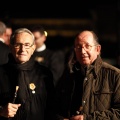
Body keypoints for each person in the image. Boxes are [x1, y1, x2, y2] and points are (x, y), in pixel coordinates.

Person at [53, 30, 120, 120]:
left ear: (98, 49)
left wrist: (87, 118)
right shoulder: (68, 75)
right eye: (78, 47)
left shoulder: (115, 75)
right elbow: (54, 106)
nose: (82, 51)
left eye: (87, 46)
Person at [0, 28, 55, 120]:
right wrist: (1, 111)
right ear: (10, 47)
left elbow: (52, 106)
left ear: (33, 48)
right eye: (18, 45)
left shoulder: (44, 73)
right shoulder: (1, 73)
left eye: (27, 45)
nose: (23, 49)